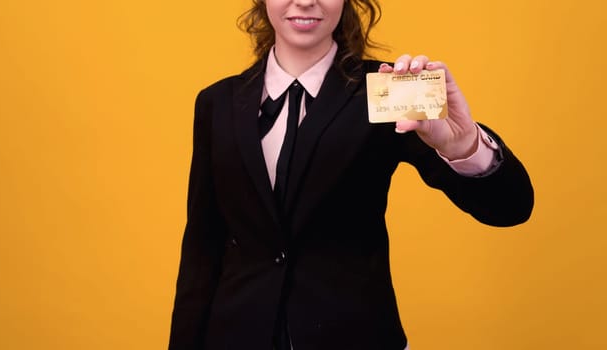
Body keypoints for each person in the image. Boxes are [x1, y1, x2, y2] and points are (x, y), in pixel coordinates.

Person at [168, 0, 534, 349]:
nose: (305, 2)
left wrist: (464, 144)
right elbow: (202, 245)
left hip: (358, 335)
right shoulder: (216, 102)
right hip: (235, 336)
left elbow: (510, 208)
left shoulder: (389, 87)